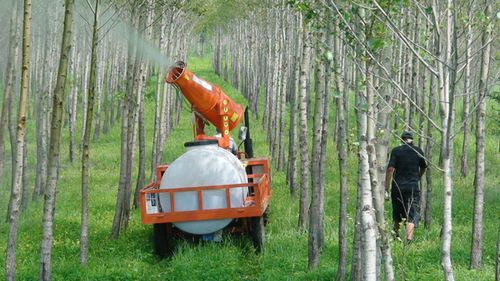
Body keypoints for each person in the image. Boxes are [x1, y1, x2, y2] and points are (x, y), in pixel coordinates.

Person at [385, 131, 427, 243]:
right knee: (412, 213)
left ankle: (395, 237)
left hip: (397, 187)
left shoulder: (396, 151)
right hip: (412, 186)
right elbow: (424, 167)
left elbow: (390, 169)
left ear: (401, 140)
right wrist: (418, 177)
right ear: (412, 140)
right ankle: (408, 240)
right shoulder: (418, 151)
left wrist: (386, 187)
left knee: (397, 212)